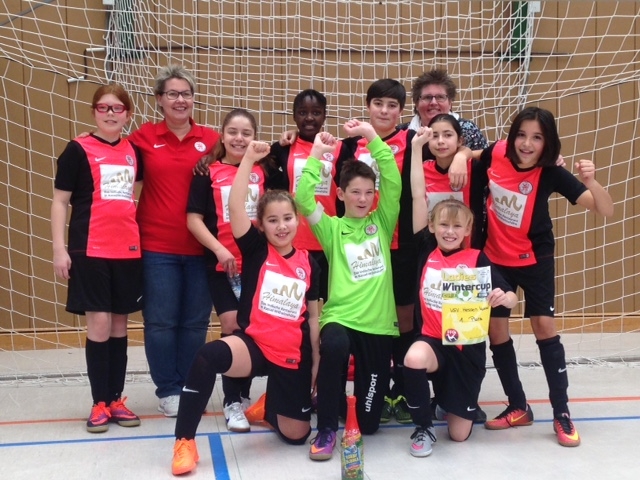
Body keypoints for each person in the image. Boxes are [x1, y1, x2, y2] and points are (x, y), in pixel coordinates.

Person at [452, 106, 614, 447]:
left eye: (537, 138)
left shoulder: (551, 172)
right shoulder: (498, 152)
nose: (527, 144)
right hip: (495, 259)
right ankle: (518, 405)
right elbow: (472, 153)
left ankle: (561, 412)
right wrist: (461, 156)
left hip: (535, 259)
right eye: (522, 135)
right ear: (513, 137)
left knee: (543, 326)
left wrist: (590, 181)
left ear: (547, 143)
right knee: (497, 330)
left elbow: (605, 209)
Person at [171, 140, 320, 476]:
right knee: (207, 356)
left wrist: (315, 363)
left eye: (287, 218)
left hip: (292, 354)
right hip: (254, 346)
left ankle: (271, 406)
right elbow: (235, 206)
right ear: (261, 225)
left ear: (297, 220)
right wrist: (249, 159)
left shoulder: (310, 263)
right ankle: (184, 442)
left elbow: (313, 318)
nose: (281, 226)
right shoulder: (255, 249)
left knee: (297, 436)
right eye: (272, 220)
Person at [402, 128, 518, 457]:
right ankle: (423, 427)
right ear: (432, 226)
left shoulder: (477, 259)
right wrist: (416, 148)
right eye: (443, 224)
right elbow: (418, 195)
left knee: (459, 435)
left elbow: (510, 296)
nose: (449, 231)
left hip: (466, 351)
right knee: (413, 358)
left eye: (457, 226)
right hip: (433, 342)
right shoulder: (426, 249)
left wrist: (504, 298)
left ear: (468, 229)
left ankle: (449, 402)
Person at [296, 121, 400, 461]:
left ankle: (338, 403)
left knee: (369, 425)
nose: (363, 198)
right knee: (335, 345)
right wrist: (316, 154)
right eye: (355, 192)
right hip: (340, 318)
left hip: (378, 326)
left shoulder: (381, 222)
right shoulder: (331, 228)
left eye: (369, 192)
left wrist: (371, 136)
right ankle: (326, 428)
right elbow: (303, 198)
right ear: (340, 194)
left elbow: (393, 181)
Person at [128, 65, 220, 417]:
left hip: (201, 248)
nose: (180, 100)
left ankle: (188, 386)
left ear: (193, 98)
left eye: (186, 94)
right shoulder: (143, 137)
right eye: (172, 94)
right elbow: (115, 156)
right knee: (161, 322)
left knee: (195, 322)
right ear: (159, 100)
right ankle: (168, 389)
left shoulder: (212, 140)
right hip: (157, 248)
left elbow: (245, 160)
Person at [51, 84, 143, 433]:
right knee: (100, 324)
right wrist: (59, 249)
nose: (110, 113)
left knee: (119, 325)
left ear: (127, 114)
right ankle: (99, 403)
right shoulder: (77, 150)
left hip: (127, 250)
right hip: (90, 249)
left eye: (117, 108)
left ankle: (116, 399)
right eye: (103, 107)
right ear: (94, 112)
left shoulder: (134, 151)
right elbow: (60, 201)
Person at [186, 108, 267, 432]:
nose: (239, 138)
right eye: (233, 132)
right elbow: (193, 219)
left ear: (255, 137)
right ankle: (232, 402)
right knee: (232, 325)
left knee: (252, 329)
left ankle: (243, 396)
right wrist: (219, 249)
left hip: (258, 267)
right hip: (222, 266)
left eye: (246, 133)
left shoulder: (265, 169)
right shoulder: (207, 171)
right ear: (222, 135)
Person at [269, 89, 344, 303]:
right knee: (297, 305)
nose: (309, 117)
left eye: (316, 112)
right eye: (302, 112)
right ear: (294, 116)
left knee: (330, 305)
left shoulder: (340, 148)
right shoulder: (283, 148)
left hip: (328, 239)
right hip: (294, 240)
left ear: (325, 116)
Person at [401, 69, 488, 151]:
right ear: (416, 104)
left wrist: (464, 154)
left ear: (450, 103)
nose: (433, 102)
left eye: (440, 97)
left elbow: (485, 158)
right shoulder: (402, 133)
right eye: (427, 97)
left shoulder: (468, 130)